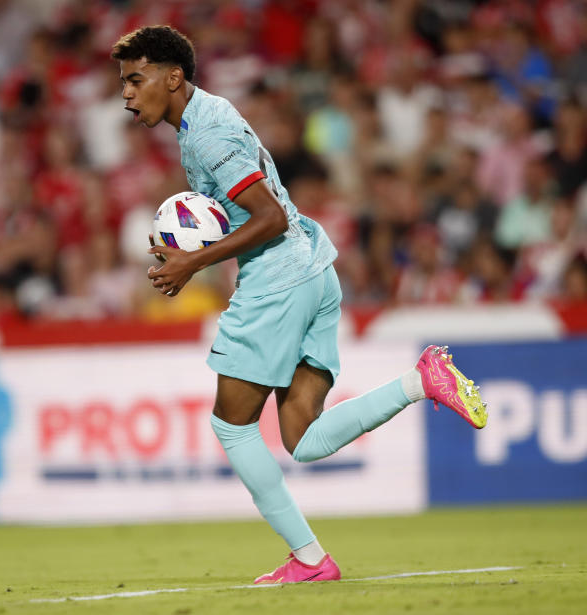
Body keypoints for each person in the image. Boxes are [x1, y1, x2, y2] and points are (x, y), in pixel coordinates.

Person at [111, 26, 488, 584]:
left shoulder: (206, 136)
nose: (126, 93)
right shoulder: (208, 114)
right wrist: (190, 247)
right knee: (302, 439)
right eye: (123, 83)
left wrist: (194, 262)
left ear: (173, 77)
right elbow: (243, 210)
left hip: (277, 280)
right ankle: (422, 381)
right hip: (315, 270)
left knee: (233, 428)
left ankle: (310, 560)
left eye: (135, 80)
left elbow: (269, 217)